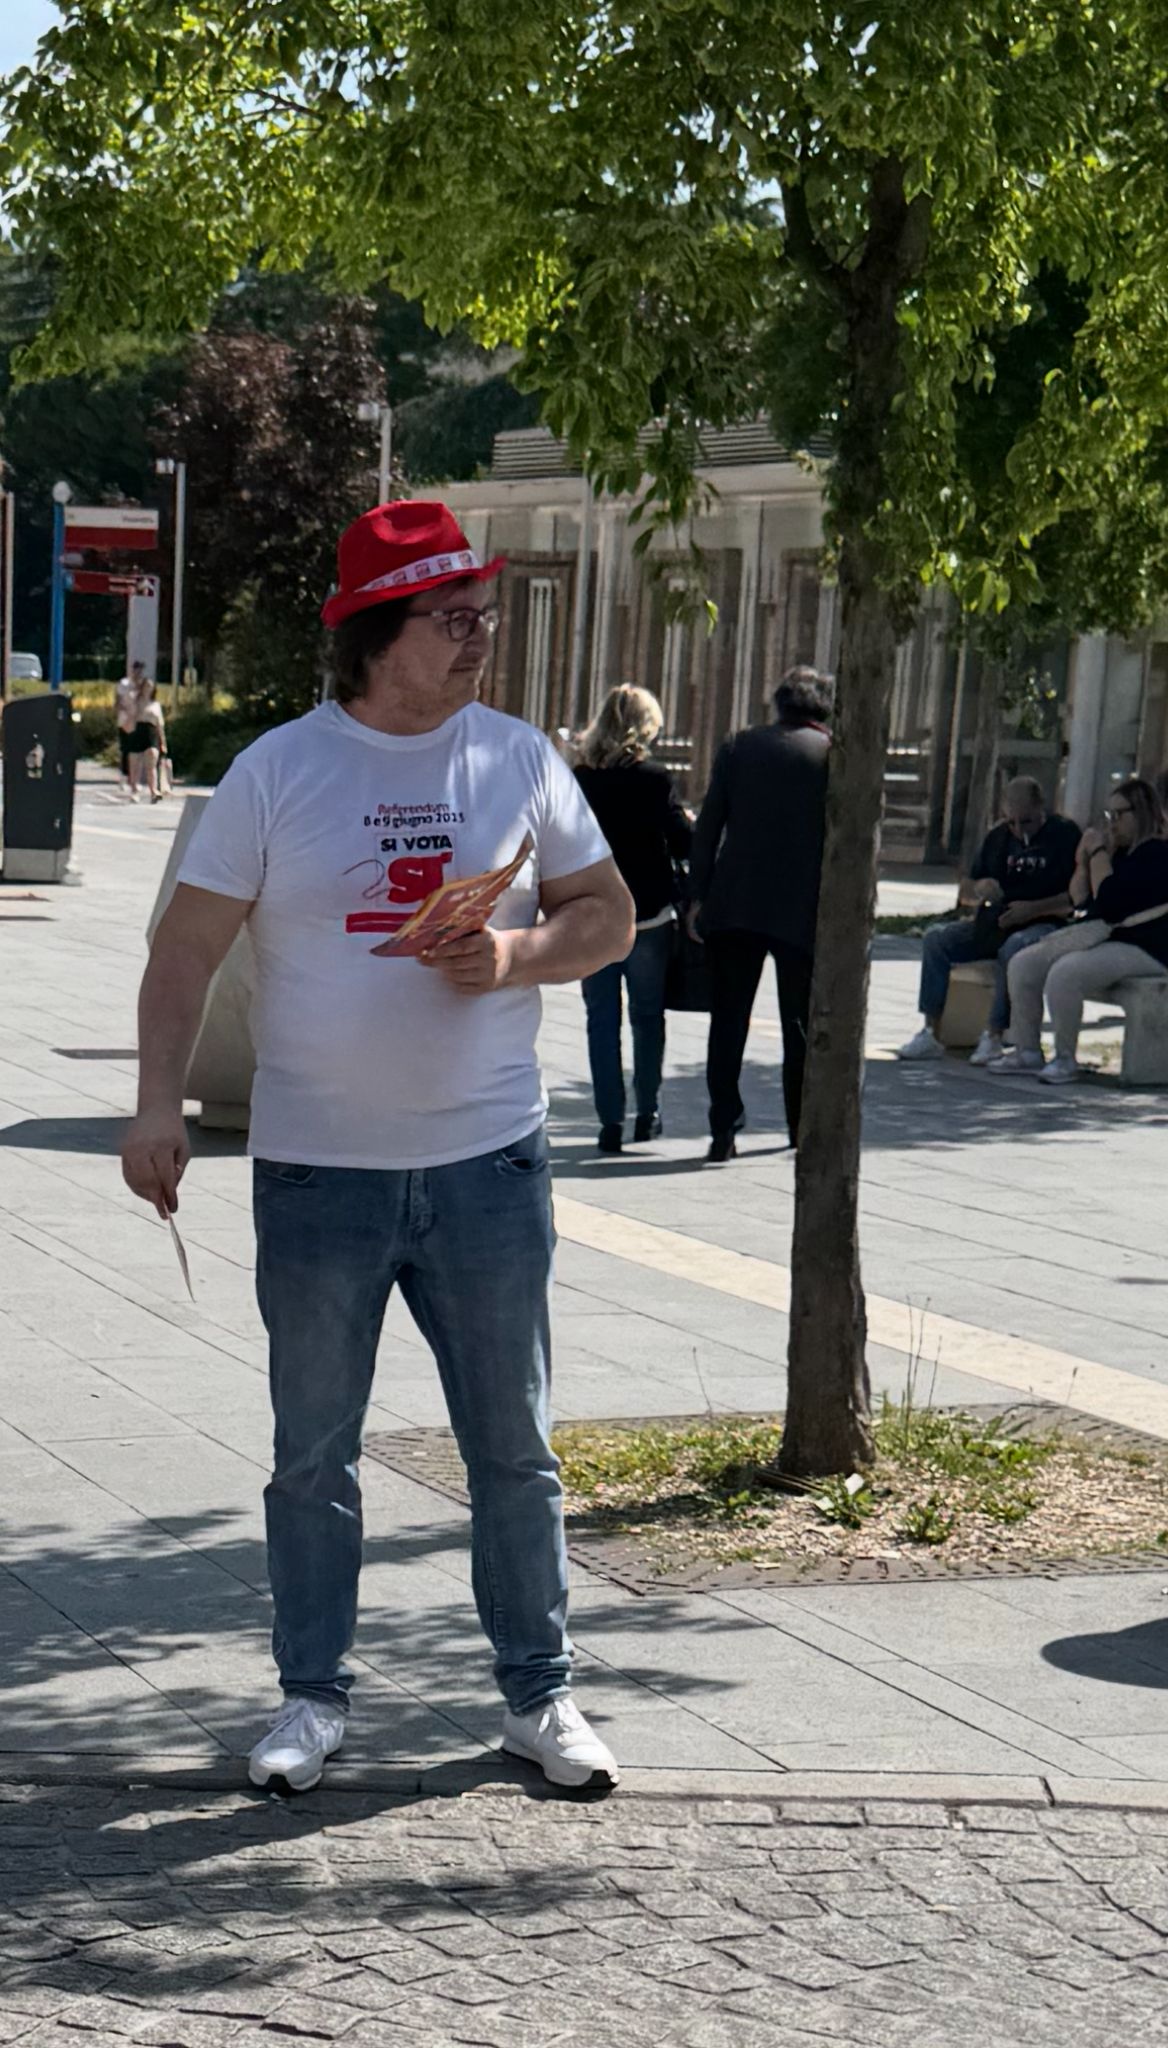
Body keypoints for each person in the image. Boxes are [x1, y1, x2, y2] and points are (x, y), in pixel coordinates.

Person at [120, 499, 634, 1795]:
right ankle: (310, 1698)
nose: (480, 638)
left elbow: (609, 916)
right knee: (313, 1456)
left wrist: (516, 952)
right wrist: (156, 1101)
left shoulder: (517, 758)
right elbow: (183, 950)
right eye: (452, 619)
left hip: (489, 1167)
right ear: (374, 633)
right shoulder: (279, 771)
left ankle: (541, 1697)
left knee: (514, 1449)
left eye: (482, 616)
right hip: (317, 1174)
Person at [688, 666, 832, 1161]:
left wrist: (698, 894)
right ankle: (798, 1124)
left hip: (737, 902)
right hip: (801, 909)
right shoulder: (831, 754)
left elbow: (709, 826)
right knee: (799, 1023)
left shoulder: (740, 746)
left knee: (728, 1020)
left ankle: (722, 1128)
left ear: (779, 703)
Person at [574, 685, 693, 1153]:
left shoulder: (581, 780)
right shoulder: (654, 779)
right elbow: (683, 843)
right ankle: (648, 1113)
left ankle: (609, 1121)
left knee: (601, 1021)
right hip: (648, 915)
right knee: (647, 1016)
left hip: (592, 920)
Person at [993, 777, 1168, 1083]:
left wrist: (1098, 851)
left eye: (1119, 815)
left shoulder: (1157, 853)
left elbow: (1111, 901)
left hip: (1148, 947)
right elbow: (1081, 898)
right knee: (1024, 963)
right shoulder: (1120, 853)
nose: (1111, 823)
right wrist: (1084, 860)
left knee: (1066, 973)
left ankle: (1065, 1058)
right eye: (1108, 815)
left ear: (1141, 813)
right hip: (1108, 938)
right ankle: (1027, 1050)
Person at [896, 776, 1081, 1065]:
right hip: (994, 923)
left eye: (1027, 822)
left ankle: (995, 1034)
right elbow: (967, 890)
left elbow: (1074, 899)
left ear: (1041, 808)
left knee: (1014, 948)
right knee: (937, 939)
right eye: (1012, 822)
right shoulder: (998, 838)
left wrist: (1032, 910)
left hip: (1043, 924)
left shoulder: (1064, 835)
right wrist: (980, 888)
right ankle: (931, 1031)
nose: (1019, 830)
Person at [115, 660, 147, 797]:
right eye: (137, 670)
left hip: (138, 721)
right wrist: (125, 712)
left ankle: (133, 780)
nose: (138, 673)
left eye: (141, 670)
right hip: (125, 720)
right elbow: (118, 701)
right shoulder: (124, 684)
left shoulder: (143, 685)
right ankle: (124, 776)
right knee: (125, 749)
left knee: (137, 751)